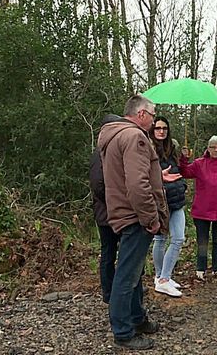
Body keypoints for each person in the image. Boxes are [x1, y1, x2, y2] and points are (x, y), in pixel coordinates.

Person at [97, 94, 169, 351]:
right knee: (127, 275)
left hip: (122, 212)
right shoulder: (135, 137)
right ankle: (123, 331)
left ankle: (137, 319)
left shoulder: (113, 135)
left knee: (134, 273)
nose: (153, 120)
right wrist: (150, 218)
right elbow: (138, 185)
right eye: (152, 114)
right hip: (135, 216)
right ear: (141, 114)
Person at [180, 135, 217, 281]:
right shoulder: (199, 164)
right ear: (208, 148)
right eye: (213, 147)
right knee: (202, 240)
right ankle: (201, 267)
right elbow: (185, 172)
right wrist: (184, 158)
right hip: (202, 209)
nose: (216, 150)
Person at [150, 116, 186, 297]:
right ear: (152, 129)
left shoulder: (172, 148)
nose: (161, 131)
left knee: (178, 238)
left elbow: (180, 171)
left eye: (164, 128)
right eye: (158, 128)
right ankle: (161, 278)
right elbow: (145, 175)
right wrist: (159, 177)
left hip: (177, 199)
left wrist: (184, 159)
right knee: (161, 239)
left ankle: (164, 276)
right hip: (161, 201)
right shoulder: (147, 148)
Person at [89, 114, 123, 304]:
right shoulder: (99, 154)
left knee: (121, 252)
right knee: (109, 252)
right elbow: (98, 184)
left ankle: (119, 291)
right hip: (106, 213)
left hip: (115, 211)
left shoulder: (113, 150)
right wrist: (116, 201)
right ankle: (108, 293)